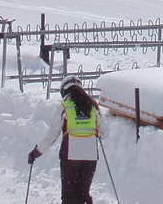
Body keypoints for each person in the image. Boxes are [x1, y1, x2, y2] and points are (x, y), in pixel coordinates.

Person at [28, 75, 106, 204]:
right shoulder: (93, 105)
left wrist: (37, 152)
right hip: (90, 157)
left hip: (70, 157)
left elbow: (53, 134)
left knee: (69, 196)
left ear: (64, 90)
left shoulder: (64, 106)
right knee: (83, 194)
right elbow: (105, 132)